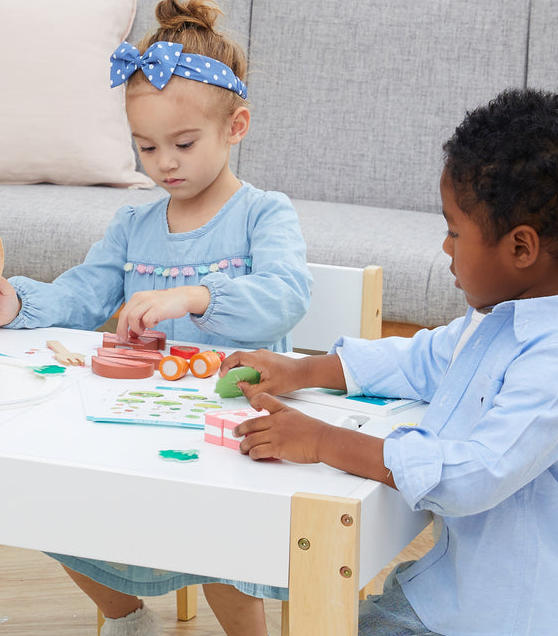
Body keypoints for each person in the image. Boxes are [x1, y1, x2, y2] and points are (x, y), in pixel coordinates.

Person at [0, 0, 311, 635]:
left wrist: (197, 296)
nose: (164, 164)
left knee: (220, 540)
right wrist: (15, 301)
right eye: (145, 148)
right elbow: (84, 293)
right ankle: (128, 619)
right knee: (52, 501)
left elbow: (287, 294)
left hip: (231, 417)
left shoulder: (264, 213)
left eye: (182, 143)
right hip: (136, 416)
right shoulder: (133, 223)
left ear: (236, 127)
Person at [221, 88, 558, 636]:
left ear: (521, 248)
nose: (446, 248)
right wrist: (303, 371)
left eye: (454, 230)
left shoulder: (550, 359)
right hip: (446, 590)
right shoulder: (503, 318)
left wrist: (326, 442)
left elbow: (476, 474)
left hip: (501, 617)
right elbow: (423, 358)